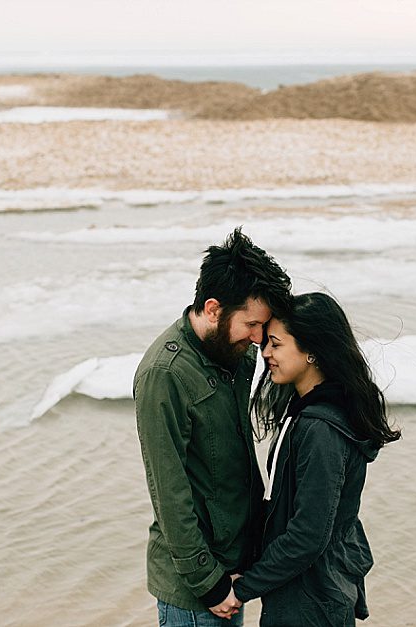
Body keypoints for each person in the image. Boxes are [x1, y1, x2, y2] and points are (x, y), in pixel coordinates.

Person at [134, 227, 292, 626]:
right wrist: (209, 583)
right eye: (251, 324)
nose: (259, 339)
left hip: (232, 572)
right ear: (214, 309)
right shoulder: (164, 374)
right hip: (196, 591)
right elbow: (168, 492)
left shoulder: (235, 352)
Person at [231, 292, 401, 626]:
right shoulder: (308, 411)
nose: (265, 353)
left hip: (310, 600)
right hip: (310, 589)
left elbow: (308, 534)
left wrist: (244, 589)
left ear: (311, 351)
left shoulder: (320, 428)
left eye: (276, 344)